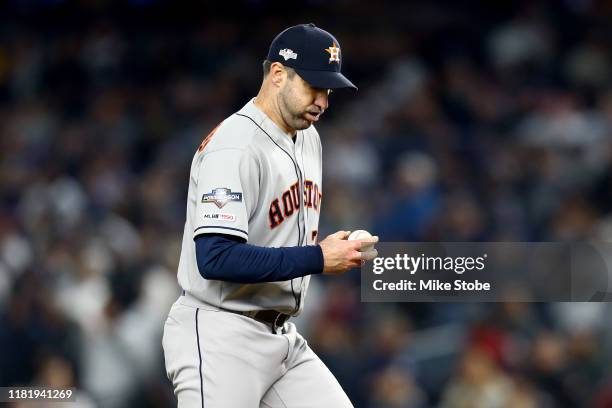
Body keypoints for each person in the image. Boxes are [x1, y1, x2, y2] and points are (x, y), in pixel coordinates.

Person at [162, 23, 378, 408]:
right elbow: (215, 257)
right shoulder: (235, 146)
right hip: (219, 333)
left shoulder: (308, 137)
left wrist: (335, 247)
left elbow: (280, 233)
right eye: (314, 86)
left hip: (281, 337)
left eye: (328, 91)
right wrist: (318, 258)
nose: (323, 102)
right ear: (278, 74)